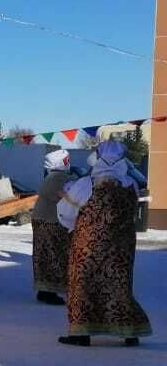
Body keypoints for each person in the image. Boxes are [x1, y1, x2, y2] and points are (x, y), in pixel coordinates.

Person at [57, 140, 151, 347]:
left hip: (87, 246)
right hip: (120, 245)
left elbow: (66, 212)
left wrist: (76, 226)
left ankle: (81, 334)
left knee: (83, 285)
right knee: (118, 284)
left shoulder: (85, 184)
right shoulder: (131, 184)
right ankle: (129, 331)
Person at [32, 150, 72, 306]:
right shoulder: (59, 178)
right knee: (52, 255)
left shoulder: (51, 177)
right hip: (51, 221)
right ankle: (49, 291)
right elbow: (68, 197)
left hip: (43, 219)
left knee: (43, 255)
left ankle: (44, 290)